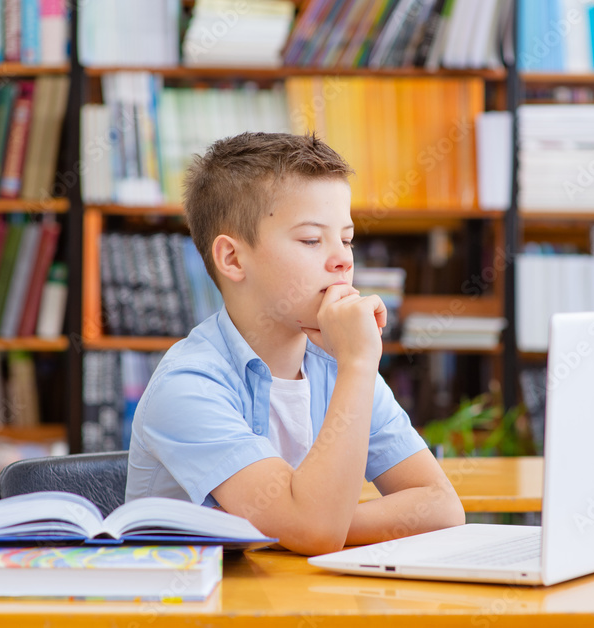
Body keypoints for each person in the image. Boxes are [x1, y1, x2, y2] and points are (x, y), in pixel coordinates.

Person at [125, 132, 465, 556]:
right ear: (232, 259)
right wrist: (307, 523)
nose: (343, 259)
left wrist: (314, 522)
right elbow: (313, 530)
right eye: (310, 240)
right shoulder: (187, 386)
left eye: (347, 238)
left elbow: (441, 506)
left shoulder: (339, 362)